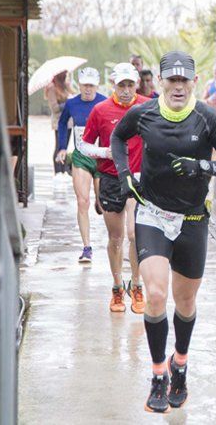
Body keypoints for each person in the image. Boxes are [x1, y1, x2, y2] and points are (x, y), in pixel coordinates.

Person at [111, 51, 216, 413]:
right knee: (155, 295)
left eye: (185, 80)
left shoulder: (209, 118)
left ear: (194, 83)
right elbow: (117, 139)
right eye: (172, 80)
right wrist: (124, 175)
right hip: (152, 213)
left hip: (192, 221)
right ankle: (157, 375)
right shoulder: (144, 113)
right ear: (161, 83)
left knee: (185, 303)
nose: (178, 87)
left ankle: (179, 364)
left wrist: (203, 166)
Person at [79, 63, 150, 314]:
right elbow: (83, 146)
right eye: (122, 85)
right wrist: (105, 152)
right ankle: (117, 287)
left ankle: (137, 285)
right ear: (113, 85)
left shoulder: (147, 106)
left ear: (137, 85)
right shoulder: (100, 110)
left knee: (135, 234)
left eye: (131, 85)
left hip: (139, 177)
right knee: (116, 237)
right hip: (110, 178)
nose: (127, 90)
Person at [55, 67, 107, 264]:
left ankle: (99, 202)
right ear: (79, 85)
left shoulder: (104, 102)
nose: (88, 89)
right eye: (85, 85)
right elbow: (62, 123)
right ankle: (87, 248)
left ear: (97, 86)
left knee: (104, 204)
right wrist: (62, 147)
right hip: (81, 156)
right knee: (82, 201)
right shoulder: (72, 103)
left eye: (91, 86)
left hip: (101, 157)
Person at [45, 71, 74, 175]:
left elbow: (74, 95)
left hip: (69, 122)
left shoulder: (65, 86)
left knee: (65, 147)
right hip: (58, 122)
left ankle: (64, 170)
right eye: (63, 74)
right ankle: (58, 171)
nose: (65, 76)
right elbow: (54, 108)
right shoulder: (52, 88)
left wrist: (68, 87)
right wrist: (67, 104)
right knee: (59, 146)